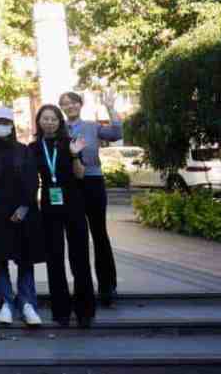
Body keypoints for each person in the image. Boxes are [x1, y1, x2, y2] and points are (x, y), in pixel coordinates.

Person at [33, 103, 95, 328]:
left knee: (79, 257)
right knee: (54, 258)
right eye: (45, 118)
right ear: (39, 121)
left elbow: (81, 175)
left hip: (74, 203)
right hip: (50, 205)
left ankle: (85, 310)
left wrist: (75, 156)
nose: (49, 122)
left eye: (53, 119)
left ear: (59, 122)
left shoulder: (71, 143)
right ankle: (61, 310)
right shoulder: (33, 147)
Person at [0, 107, 44, 326]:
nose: (2, 126)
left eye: (5, 122)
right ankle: (6, 303)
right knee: (0, 259)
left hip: (23, 211)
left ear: (12, 125)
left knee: (25, 258)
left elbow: (32, 180)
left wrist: (24, 207)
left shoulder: (24, 150)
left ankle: (27, 303)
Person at [60, 90, 122, 306]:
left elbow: (116, 134)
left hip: (93, 182)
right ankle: (82, 286)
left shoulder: (92, 127)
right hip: (70, 186)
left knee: (99, 233)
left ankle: (107, 287)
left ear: (80, 104)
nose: (70, 107)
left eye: (73, 103)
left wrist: (111, 108)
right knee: (76, 236)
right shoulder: (59, 128)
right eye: (65, 104)